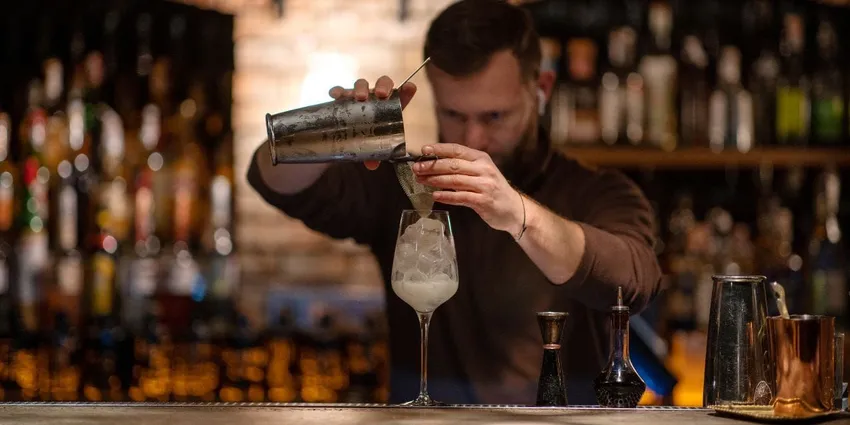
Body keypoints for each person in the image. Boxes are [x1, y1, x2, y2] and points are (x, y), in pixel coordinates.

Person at [247, 0, 662, 405]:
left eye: (494, 117)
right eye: (453, 114)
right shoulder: (404, 183)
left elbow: (631, 283)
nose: (473, 138)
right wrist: (332, 126)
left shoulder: (598, 192)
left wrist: (519, 213)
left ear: (541, 90)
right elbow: (269, 179)